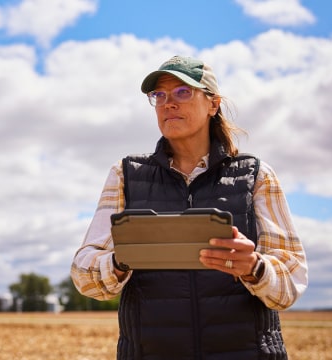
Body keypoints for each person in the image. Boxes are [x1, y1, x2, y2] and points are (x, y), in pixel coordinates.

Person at [70, 55, 308, 359]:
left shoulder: (257, 175)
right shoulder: (125, 175)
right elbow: (83, 275)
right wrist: (121, 260)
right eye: (159, 95)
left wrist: (254, 267)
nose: (168, 103)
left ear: (213, 104)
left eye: (183, 92)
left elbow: (291, 281)